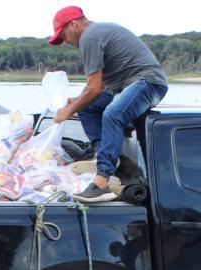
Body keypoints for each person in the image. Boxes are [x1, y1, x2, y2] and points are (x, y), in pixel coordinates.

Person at [48, 6, 168, 202]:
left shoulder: (89, 37)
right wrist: (78, 102)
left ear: (74, 23)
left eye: (63, 35)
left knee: (112, 114)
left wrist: (68, 110)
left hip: (149, 83)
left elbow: (93, 88)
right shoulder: (95, 34)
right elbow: (96, 90)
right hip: (125, 86)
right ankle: (101, 153)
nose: (65, 42)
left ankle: (102, 182)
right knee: (87, 107)